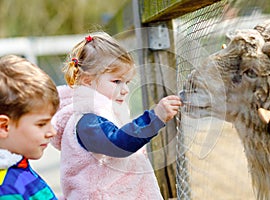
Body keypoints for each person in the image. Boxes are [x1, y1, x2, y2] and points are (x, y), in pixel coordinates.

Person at [51, 32, 182, 200]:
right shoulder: (87, 121)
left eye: (127, 82)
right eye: (117, 81)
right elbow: (117, 144)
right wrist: (154, 118)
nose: (125, 89)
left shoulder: (102, 115)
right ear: (87, 80)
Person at [0, 55, 60, 199]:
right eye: (41, 124)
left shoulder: (18, 167)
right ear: (4, 126)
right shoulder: (7, 190)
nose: (52, 132)